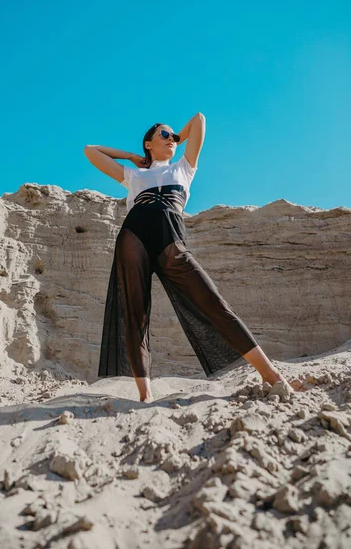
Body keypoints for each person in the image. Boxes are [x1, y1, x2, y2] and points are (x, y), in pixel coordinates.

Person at [84, 113, 294, 402]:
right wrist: (134, 156)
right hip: (134, 235)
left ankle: (271, 375)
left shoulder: (184, 168)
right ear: (149, 143)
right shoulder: (134, 175)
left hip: (170, 238)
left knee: (213, 301)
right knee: (136, 314)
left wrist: (175, 138)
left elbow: (199, 119)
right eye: (163, 135)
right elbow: (90, 151)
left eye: (172, 136)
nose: (170, 139)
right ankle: (145, 395)